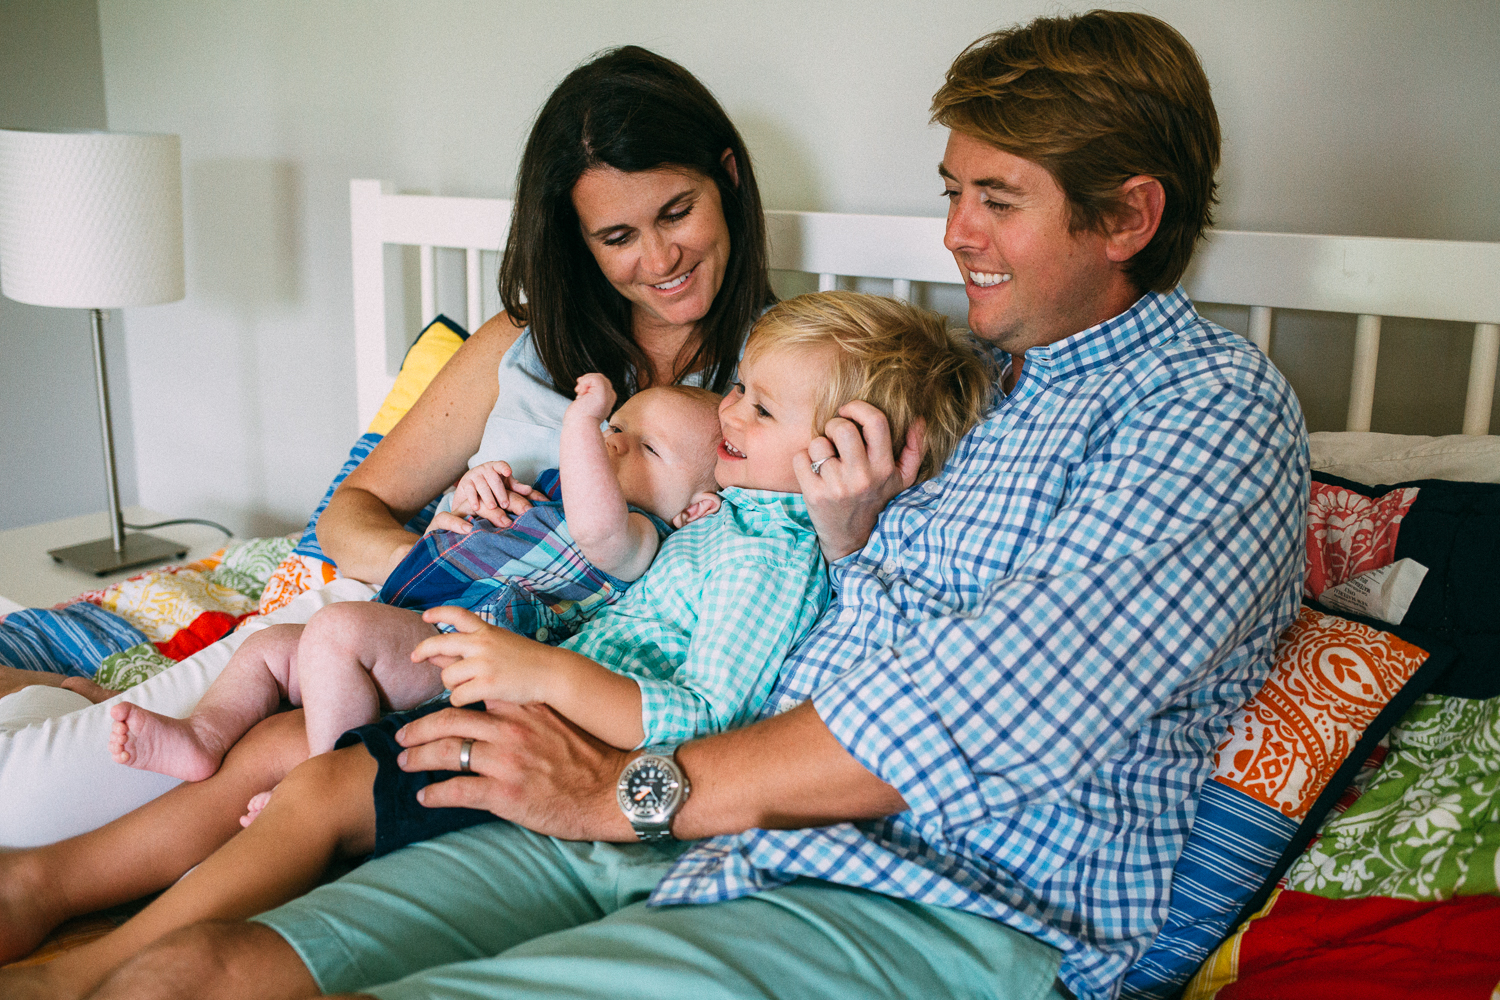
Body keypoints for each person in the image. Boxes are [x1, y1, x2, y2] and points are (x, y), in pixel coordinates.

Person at [62, 11, 1310, 1000]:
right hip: (693, 822)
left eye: (998, 200)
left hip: (921, 901)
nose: (955, 235)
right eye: (952, 190)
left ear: (1129, 216)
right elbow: (828, 580)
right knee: (188, 970)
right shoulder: (953, 379)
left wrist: (626, 786)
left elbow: (967, 710)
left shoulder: (1207, 413)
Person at [0, 42, 848, 962]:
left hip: (495, 659)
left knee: (195, 767)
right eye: (616, 237)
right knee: (45, 782)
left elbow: (806, 559)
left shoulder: (783, 389)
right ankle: (60, 713)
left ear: (727, 179)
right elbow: (348, 513)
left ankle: (48, 852)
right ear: (576, 238)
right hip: (369, 609)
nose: (658, 259)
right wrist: (437, 539)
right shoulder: (522, 339)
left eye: (677, 212)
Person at [0, 290, 992, 1000]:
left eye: (757, 407)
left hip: (558, 722)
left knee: (303, 779)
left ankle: (83, 940)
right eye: (735, 393)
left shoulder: (765, 550)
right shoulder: (722, 519)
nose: (730, 409)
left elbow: (702, 712)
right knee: (296, 751)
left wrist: (536, 665)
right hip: (491, 663)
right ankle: (64, 907)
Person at [105, 381, 725, 785]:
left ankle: (318, 787)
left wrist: (582, 422)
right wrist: (473, 491)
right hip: (408, 615)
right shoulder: (550, 494)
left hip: (469, 652)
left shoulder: (638, 536)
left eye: (647, 449)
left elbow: (596, 525)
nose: (612, 445)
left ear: (694, 508)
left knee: (335, 633)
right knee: (266, 649)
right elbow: (461, 533)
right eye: (617, 426)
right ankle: (204, 734)